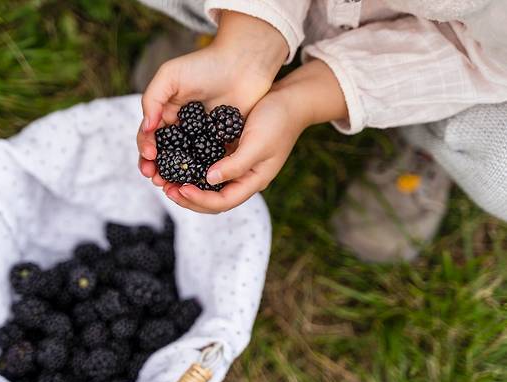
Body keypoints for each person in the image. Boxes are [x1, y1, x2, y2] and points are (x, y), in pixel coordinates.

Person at [134, 0, 507, 262]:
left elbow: (479, 57)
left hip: (450, 58)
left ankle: (422, 138)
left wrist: (303, 100)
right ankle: (226, 33)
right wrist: (249, 42)